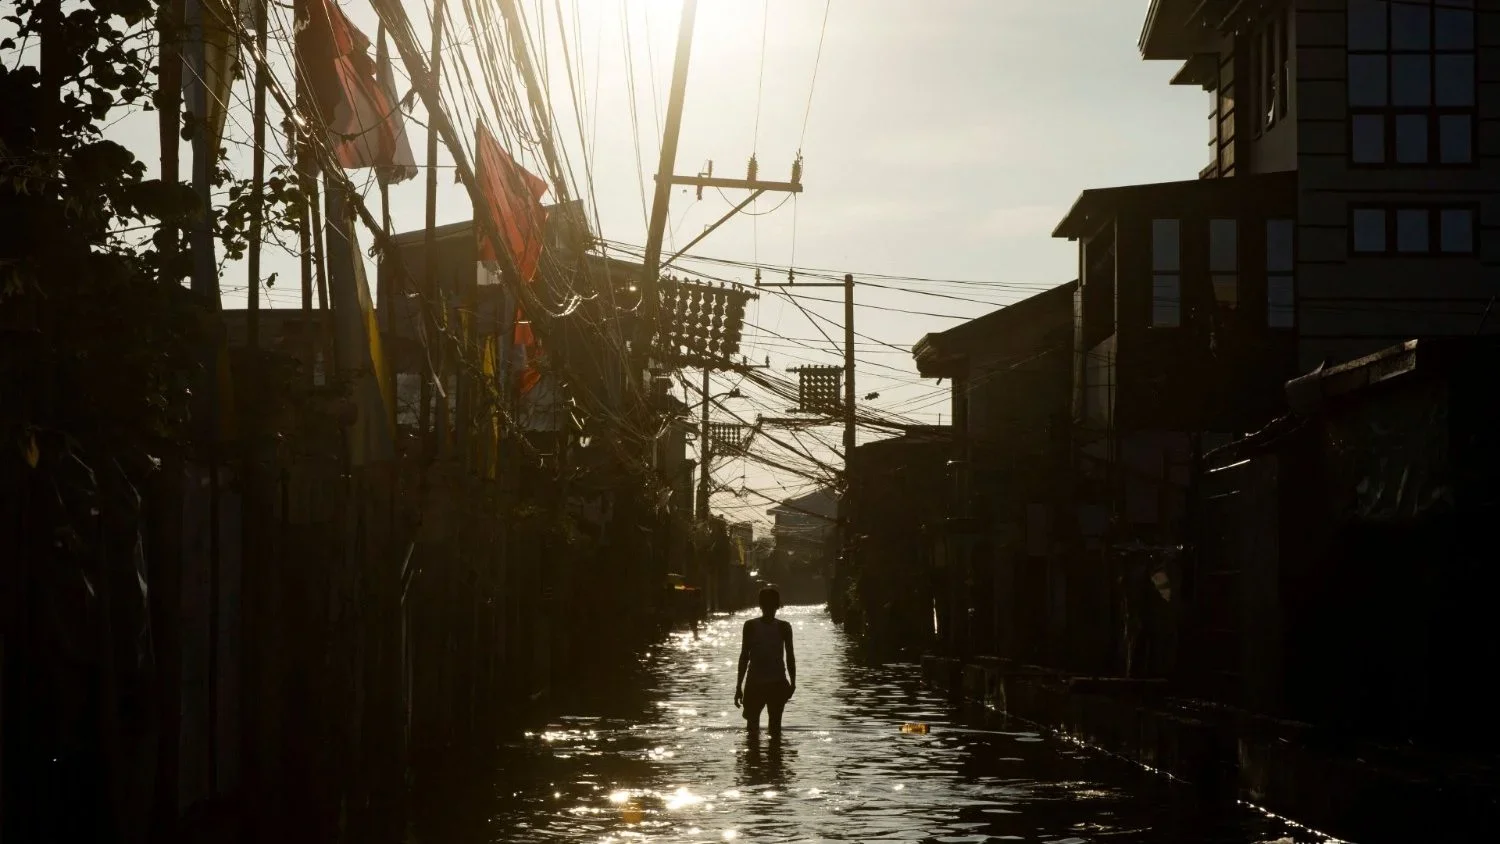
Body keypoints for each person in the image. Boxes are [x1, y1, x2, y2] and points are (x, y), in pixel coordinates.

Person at [734, 587, 796, 736]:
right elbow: (744, 656)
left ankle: (765, 757)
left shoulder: (784, 627)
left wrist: (793, 683)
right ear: (761, 605)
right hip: (756, 684)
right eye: (766, 604)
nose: (769, 608)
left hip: (774, 684)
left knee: (771, 730)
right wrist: (738, 686)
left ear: (776, 606)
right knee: (755, 730)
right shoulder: (750, 626)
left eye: (772, 604)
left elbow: (790, 657)